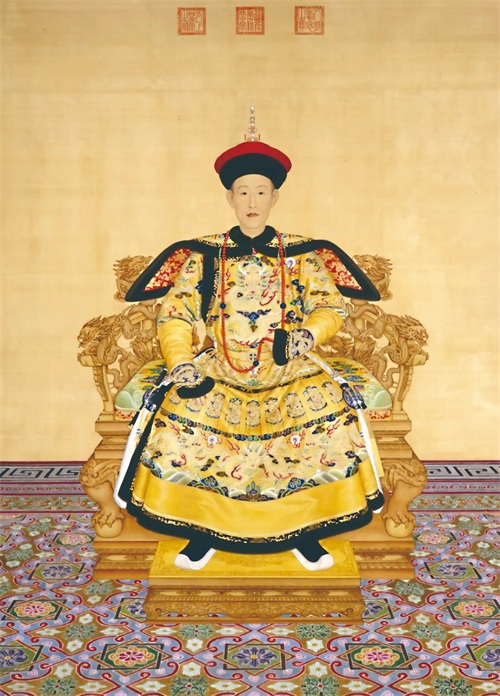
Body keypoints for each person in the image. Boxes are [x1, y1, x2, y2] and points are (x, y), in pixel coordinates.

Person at [115, 113, 385, 572]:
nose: (252, 201)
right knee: (184, 418)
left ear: (275, 196)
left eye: (261, 192)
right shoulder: (204, 254)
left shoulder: (302, 253)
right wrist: (181, 361)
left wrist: (308, 335)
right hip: (222, 364)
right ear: (230, 197)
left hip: (289, 365)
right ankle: (202, 529)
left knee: (323, 415)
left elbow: (331, 307)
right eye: (243, 192)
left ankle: (307, 530)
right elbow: (176, 314)